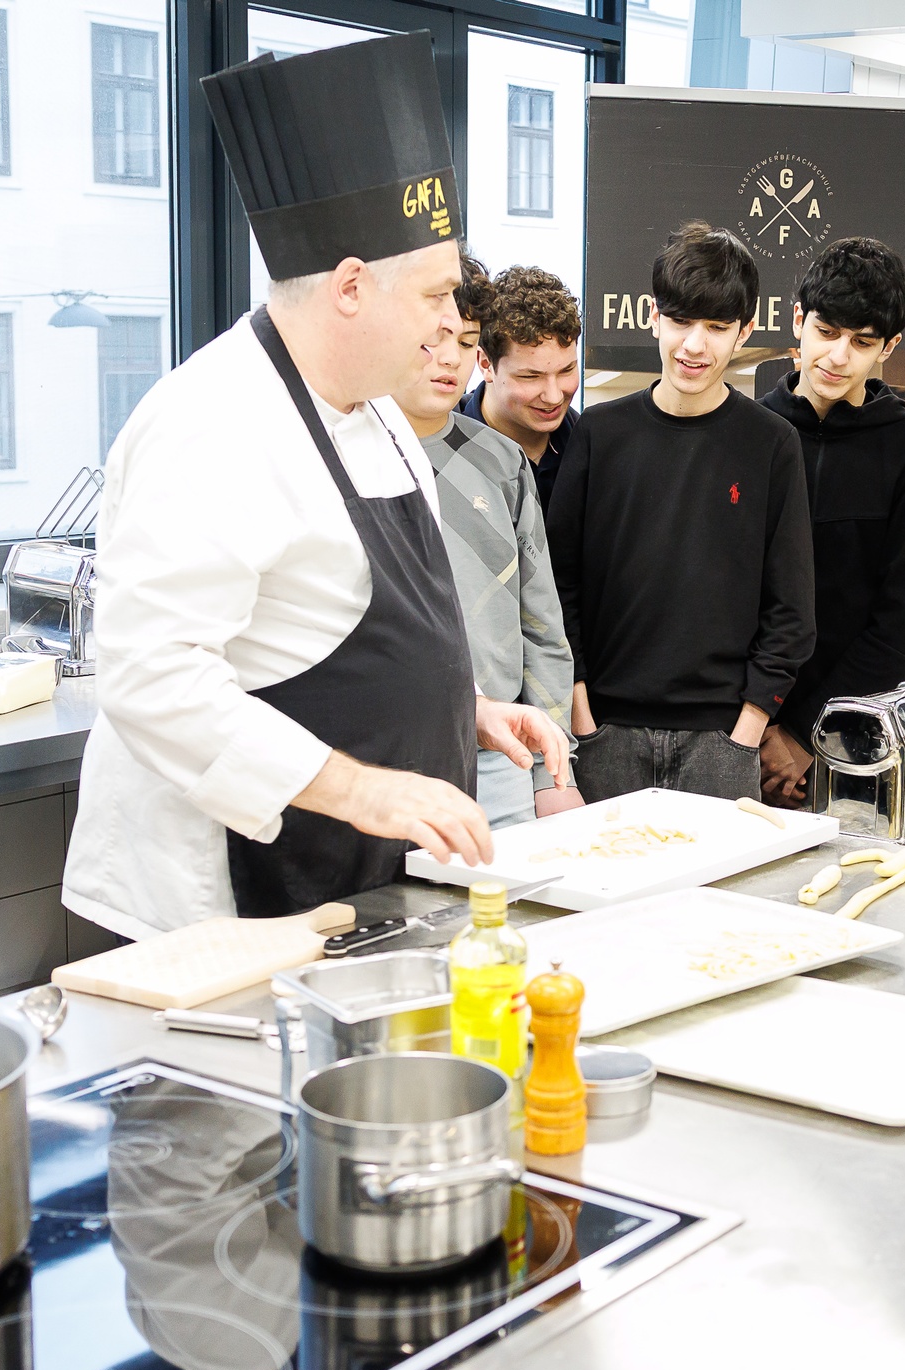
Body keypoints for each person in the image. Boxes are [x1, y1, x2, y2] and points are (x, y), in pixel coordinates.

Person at [62, 34, 566, 938]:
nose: (454, 325)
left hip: (354, 880)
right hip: (223, 899)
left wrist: (466, 708)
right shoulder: (213, 423)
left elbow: (356, 629)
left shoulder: (377, 409)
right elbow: (150, 680)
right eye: (435, 296)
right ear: (348, 287)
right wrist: (361, 787)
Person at [548, 222, 813, 802]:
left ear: (744, 332)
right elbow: (555, 585)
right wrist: (582, 714)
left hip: (722, 742)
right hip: (604, 735)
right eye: (680, 321)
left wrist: (746, 732)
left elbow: (791, 608)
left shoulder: (772, 443)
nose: (695, 345)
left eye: (717, 327)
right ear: (652, 316)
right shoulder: (599, 434)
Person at [391, 252, 578, 828]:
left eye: (466, 341)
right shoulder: (349, 453)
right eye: (431, 341)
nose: (449, 359)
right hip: (389, 754)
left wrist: (555, 769)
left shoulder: (501, 460)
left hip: (501, 755)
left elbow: (541, 623)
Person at [755, 237, 905, 808]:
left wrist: (805, 732)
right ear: (797, 321)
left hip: (854, 739)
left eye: (861, 342)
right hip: (739, 727)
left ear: (890, 346)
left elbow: (904, 626)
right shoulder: (749, 432)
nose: (838, 356)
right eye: (826, 332)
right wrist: (760, 723)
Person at [459, 265, 583, 507]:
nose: (553, 396)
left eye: (566, 370)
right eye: (531, 377)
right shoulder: (440, 448)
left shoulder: (592, 451)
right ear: (485, 364)